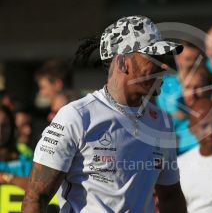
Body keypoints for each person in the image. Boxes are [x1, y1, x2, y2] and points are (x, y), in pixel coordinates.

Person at [22, 15, 187, 213]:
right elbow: (35, 198)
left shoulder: (161, 122)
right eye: (154, 58)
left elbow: (170, 197)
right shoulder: (76, 116)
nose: (164, 66)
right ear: (122, 63)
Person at [156, 41, 203, 117]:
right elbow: (164, 115)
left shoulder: (209, 81)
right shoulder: (165, 84)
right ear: (178, 59)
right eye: (188, 59)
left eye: (197, 60)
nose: (193, 63)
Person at [0, 105, 32, 190]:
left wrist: (6, 177)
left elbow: (35, 187)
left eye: (4, 125)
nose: (0, 131)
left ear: (12, 127)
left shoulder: (25, 160)